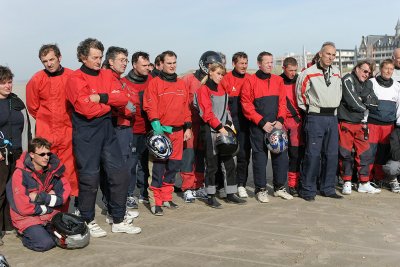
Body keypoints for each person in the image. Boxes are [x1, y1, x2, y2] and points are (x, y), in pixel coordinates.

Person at [65, 38, 141, 237]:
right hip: (86, 132)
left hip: (108, 130)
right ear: (83, 57)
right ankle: (87, 218)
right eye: (94, 57)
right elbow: (85, 109)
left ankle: (118, 219)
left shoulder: (107, 74)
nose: (99, 61)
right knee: (89, 178)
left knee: (120, 173)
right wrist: (109, 102)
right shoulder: (75, 79)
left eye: (100, 57)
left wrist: (101, 97)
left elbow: (123, 98)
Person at [26, 44, 78, 209]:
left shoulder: (72, 76)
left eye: (51, 59)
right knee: (45, 172)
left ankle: (66, 211)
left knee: (68, 173)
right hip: (46, 134)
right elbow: (33, 107)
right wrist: (46, 122)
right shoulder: (36, 79)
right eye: (44, 61)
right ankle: (47, 211)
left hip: (68, 132)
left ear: (59, 57)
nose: (49, 64)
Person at [143, 50, 192, 215]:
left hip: (178, 132)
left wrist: (188, 127)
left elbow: (186, 107)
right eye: (169, 63)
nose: (172, 66)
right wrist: (156, 124)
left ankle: (166, 197)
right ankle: (155, 202)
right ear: (161, 64)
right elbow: (150, 105)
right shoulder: (154, 83)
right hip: (161, 133)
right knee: (158, 168)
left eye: (174, 63)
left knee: (173, 166)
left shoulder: (181, 83)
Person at [241, 51, 292, 203]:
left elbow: (283, 102)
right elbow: (246, 105)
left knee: (281, 156)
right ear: (259, 64)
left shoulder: (278, 80)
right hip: (259, 127)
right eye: (267, 62)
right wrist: (262, 122)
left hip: (276, 126)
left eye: (272, 62)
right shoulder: (250, 81)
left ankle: (279, 188)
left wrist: (281, 120)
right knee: (260, 158)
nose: (270, 64)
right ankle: (261, 189)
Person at [296, 42, 343, 201]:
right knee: (313, 155)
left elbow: (339, 92)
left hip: (332, 117)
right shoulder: (308, 73)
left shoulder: (337, 72)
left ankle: (327, 188)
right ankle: (308, 189)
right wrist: (312, 109)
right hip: (315, 117)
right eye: (328, 54)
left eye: (333, 55)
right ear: (321, 54)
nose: (331, 57)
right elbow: (300, 95)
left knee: (331, 155)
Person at [6, 137, 70, 252]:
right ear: (31, 154)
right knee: (45, 244)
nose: (46, 157)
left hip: (49, 215)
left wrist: (40, 197)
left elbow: (65, 194)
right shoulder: (19, 173)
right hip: (26, 218)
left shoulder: (54, 169)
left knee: (72, 236)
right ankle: (25, 235)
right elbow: (24, 207)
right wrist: (51, 200)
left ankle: (43, 231)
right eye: (42, 154)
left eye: (48, 153)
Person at [196, 62, 246, 208]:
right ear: (210, 72)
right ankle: (210, 196)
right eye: (218, 73)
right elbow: (207, 113)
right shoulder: (203, 90)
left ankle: (231, 193)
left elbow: (227, 111)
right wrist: (219, 128)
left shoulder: (222, 91)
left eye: (222, 74)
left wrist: (230, 125)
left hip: (224, 131)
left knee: (229, 163)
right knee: (211, 166)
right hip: (210, 131)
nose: (220, 77)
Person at [179, 51, 222, 203]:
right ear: (204, 64)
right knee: (188, 156)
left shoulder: (212, 82)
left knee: (201, 157)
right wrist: (186, 125)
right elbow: (183, 103)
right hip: (190, 124)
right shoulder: (188, 79)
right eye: (209, 64)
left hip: (205, 125)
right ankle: (188, 187)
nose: (211, 67)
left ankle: (198, 185)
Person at [338, 60, 380, 194]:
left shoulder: (368, 83)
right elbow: (352, 101)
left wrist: (363, 100)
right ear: (357, 68)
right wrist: (363, 103)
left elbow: (375, 104)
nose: (366, 74)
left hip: (361, 124)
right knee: (345, 154)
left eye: (369, 72)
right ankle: (347, 181)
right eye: (364, 70)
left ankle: (364, 182)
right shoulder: (347, 79)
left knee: (365, 154)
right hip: (346, 123)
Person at [0, 66, 31, 246]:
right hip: (1, 155)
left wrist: (27, 151)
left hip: (18, 153)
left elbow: (26, 128)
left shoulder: (16, 101)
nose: (7, 85)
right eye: (3, 82)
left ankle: (11, 224)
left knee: (15, 190)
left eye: (9, 81)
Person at [121, 51, 153, 206]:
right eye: (144, 65)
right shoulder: (124, 83)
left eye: (148, 65)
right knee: (131, 164)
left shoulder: (152, 80)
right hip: (132, 130)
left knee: (146, 164)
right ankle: (128, 194)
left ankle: (145, 192)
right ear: (134, 65)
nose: (147, 68)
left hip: (150, 129)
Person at [219, 52, 251, 198]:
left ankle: (241, 185)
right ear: (234, 64)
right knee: (227, 156)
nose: (244, 66)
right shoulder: (226, 79)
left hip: (246, 123)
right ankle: (224, 186)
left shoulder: (251, 79)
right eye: (241, 63)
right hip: (230, 124)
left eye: (246, 63)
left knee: (244, 156)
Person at [367, 59, 400, 192]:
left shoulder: (397, 86)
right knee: (370, 153)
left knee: (383, 153)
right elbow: (366, 104)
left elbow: (398, 107)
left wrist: (397, 123)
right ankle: (367, 179)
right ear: (380, 69)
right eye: (386, 68)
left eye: (391, 69)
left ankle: (379, 178)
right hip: (372, 123)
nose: (388, 71)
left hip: (389, 126)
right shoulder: (372, 83)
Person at [280, 57, 303, 196]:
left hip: (296, 122)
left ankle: (293, 184)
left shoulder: (299, 80)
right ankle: (280, 184)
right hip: (281, 121)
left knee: (295, 155)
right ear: (284, 68)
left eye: (295, 70)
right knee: (281, 156)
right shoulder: (277, 81)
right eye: (290, 70)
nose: (293, 73)